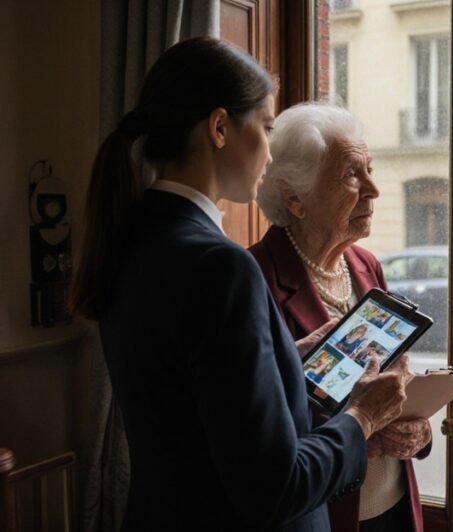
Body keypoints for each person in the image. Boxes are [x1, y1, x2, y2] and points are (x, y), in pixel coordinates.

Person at [69, 37, 410, 532]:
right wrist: (363, 417)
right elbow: (276, 487)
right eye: (267, 128)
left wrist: (285, 360)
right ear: (220, 128)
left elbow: (189, 400)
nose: (270, 155)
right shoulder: (221, 266)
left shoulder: (130, 239)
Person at [249, 102, 432, 532]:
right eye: (352, 174)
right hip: (325, 513)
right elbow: (260, 428)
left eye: (370, 170)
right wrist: (362, 428)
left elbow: (390, 379)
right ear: (296, 199)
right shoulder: (255, 278)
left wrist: (416, 429)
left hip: (394, 506)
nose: (374, 189)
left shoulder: (366, 265)